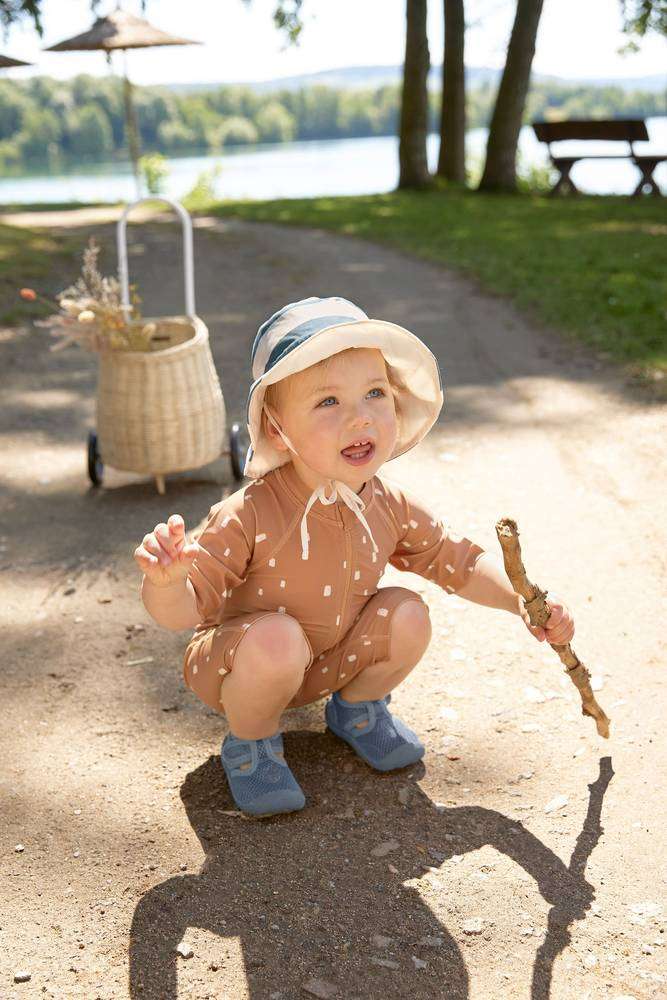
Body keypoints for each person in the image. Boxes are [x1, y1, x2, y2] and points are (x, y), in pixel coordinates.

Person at [134, 296, 575, 818]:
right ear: (278, 430)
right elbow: (182, 612)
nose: (360, 418)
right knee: (276, 637)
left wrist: (523, 602)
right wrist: (166, 582)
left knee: (407, 613)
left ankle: (357, 710)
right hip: (243, 663)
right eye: (328, 402)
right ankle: (250, 744)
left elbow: (455, 560)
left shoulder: (387, 502)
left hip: (330, 659)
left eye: (374, 393)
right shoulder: (250, 512)